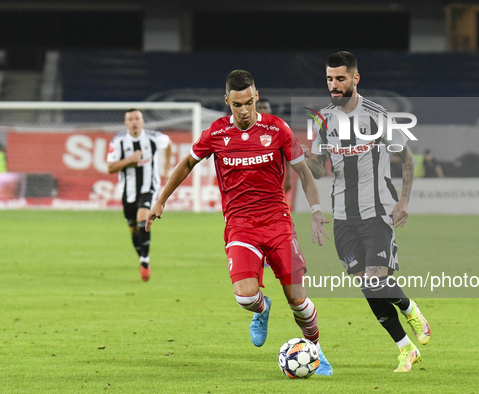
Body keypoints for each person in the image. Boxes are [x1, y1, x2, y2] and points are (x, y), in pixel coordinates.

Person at [146, 70, 333, 375]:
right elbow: (187, 163)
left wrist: (314, 210)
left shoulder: (278, 129)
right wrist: (161, 200)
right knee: (245, 297)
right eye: (237, 105)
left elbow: (304, 173)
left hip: (277, 223)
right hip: (240, 225)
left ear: (256, 96)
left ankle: (316, 350)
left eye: (248, 102)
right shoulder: (216, 135)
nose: (244, 110)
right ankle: (262, 309)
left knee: (298, 299)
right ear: (227, 102)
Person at [302, 51, 430, 373]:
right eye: (330, 79)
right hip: (343, 216)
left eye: (340, 78)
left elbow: (407, 157)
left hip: (377, 211)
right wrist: (307, 158)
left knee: (375, 280)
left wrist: (404, 200)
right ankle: (406, 347)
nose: (334, 84)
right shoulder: (323, 120)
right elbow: (318, 170)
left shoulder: (377, 114)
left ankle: (408, 308)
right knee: (365, 284)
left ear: (355, 79)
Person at [107, 109, 172, 282]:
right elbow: (110, 167)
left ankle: (144, 260)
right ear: (126, 123)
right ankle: (143, 258)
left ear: (142, 121)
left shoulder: (153, 137)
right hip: (127, 190)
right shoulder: (119, 140)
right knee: (133, 228)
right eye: (130, 119)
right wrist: (130, 160)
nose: (134, 122)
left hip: (148, 186)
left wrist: (166, 168)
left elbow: (169, 144)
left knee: (142, 218)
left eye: (137, 118)